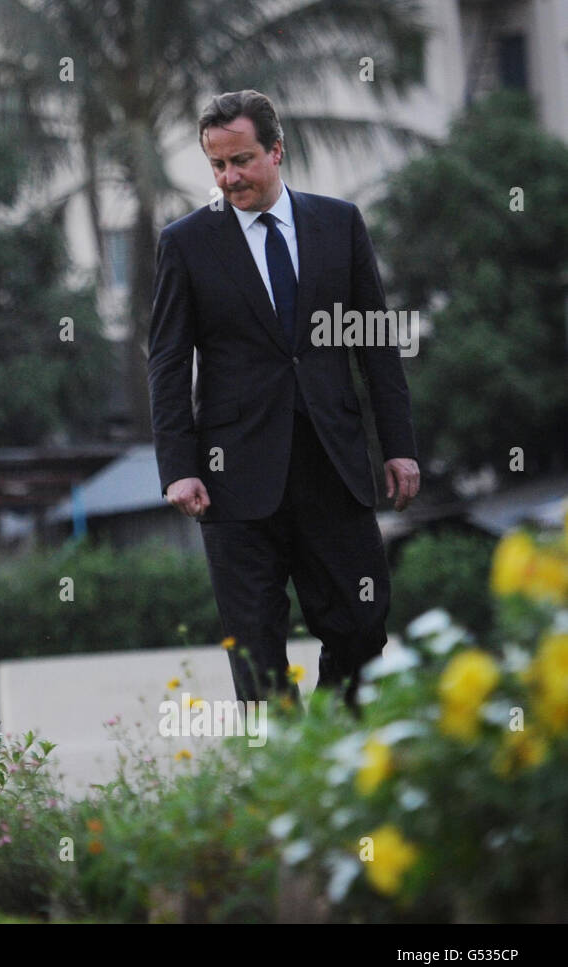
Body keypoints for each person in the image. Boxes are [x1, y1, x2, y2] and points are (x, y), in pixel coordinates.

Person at [147, 89, 420, 717]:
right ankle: (281, 776)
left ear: (276, 150)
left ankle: (330, 749)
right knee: (255, 649)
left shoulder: (339, 223)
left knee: (361, 623)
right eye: (217, 165)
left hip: (333, 463)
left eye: (242, 160)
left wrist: (399, 448)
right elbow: (166, 359)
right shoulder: (186, 243)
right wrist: (178, 465)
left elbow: (374, 345)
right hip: (232, 478)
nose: (230, 177)